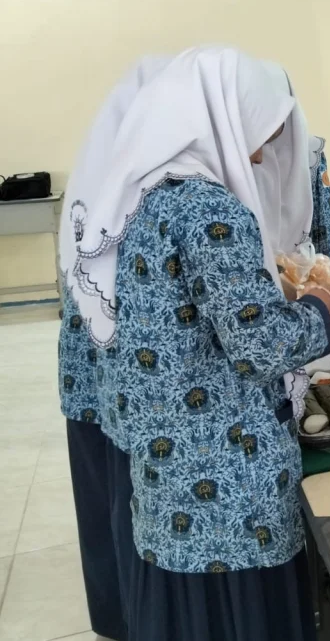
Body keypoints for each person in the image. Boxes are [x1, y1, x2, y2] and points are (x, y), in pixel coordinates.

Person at [60, 46, 330, 641]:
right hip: (228, 479)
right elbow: (259, 344)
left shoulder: (153, 193)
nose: (267, 146)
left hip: (173, 477)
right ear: (223, 113)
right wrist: (325, 307)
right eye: (263, 125)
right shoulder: (209, 209)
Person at [58, 56, 169, 641]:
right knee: (121, 507)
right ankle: (127, 618)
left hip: (93, 383)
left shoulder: (99, 171)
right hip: (119, 388)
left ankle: (116, 618)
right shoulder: (144, 187)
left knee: (105, 505)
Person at [254, 62, 330, 300]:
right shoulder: (234, 159)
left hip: (303, 280)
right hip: (253, 283)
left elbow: (325, 224)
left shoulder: (309, 154)